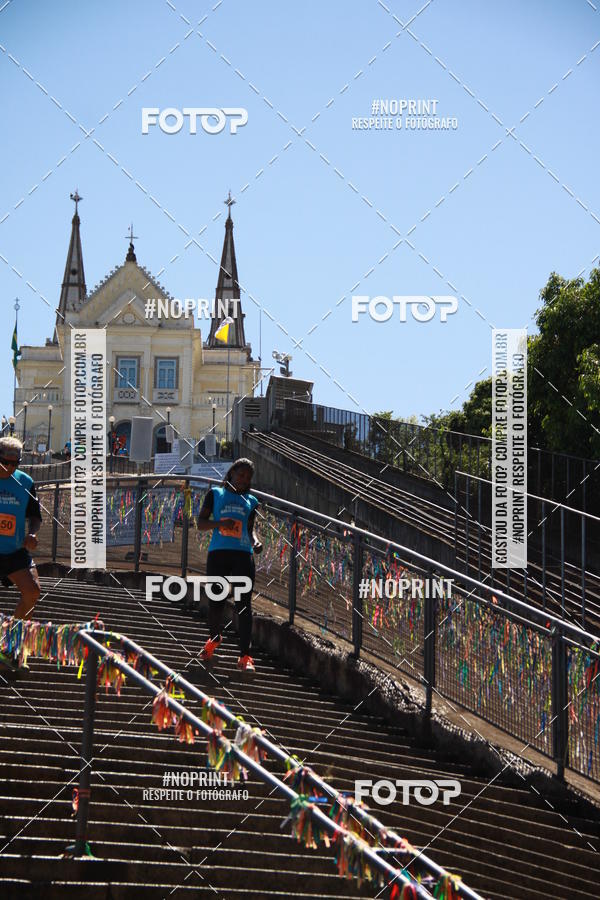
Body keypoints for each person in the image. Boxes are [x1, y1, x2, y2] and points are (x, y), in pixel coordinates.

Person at [196, 458, 262, 673]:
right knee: (216, 602)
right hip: (219, 553)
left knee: (244, 606)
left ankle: (245, 656)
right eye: (240, 475)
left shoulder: (251, 501)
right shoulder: (215, 494)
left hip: (243, 555)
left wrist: (256, 541)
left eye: (247, 478)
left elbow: (250, 529)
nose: (243, 480)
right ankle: (214, 639)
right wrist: (220, 524)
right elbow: (200, 523)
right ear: (232, 473)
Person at [0, 436, 42, 672]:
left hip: (15, 551)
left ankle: (10, 647)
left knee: (32, 592)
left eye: (15, 464)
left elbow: (35, 516)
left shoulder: (25, 482)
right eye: (5, 463)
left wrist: (32, 534)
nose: (10, 468)